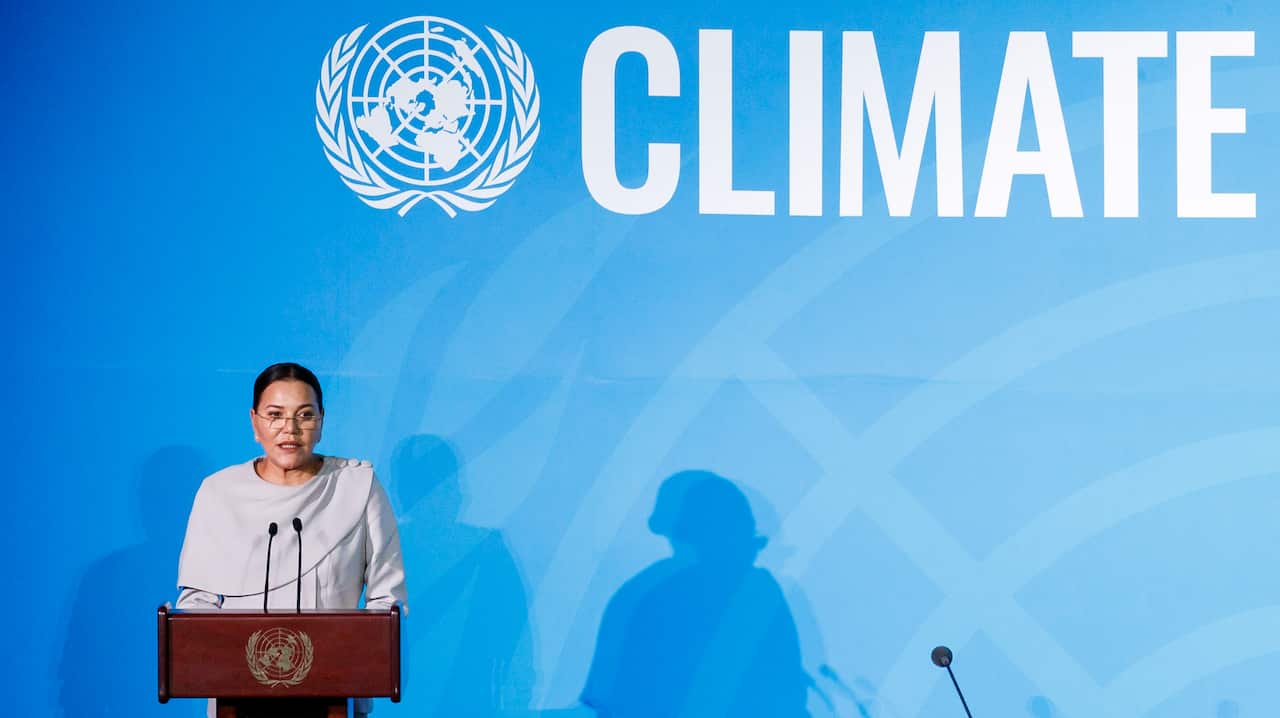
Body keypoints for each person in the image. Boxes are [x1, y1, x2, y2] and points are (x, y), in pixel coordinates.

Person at [175, 362, 406, 716]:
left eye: (304, 415)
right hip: (238, 697)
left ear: (321, 421)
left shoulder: (357, 488)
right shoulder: (219, 493)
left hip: (334, 693)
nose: (290, 429)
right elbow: (196, 603)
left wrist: (355, 666)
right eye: (275, 415)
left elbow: (385, 600)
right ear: (254, 422)